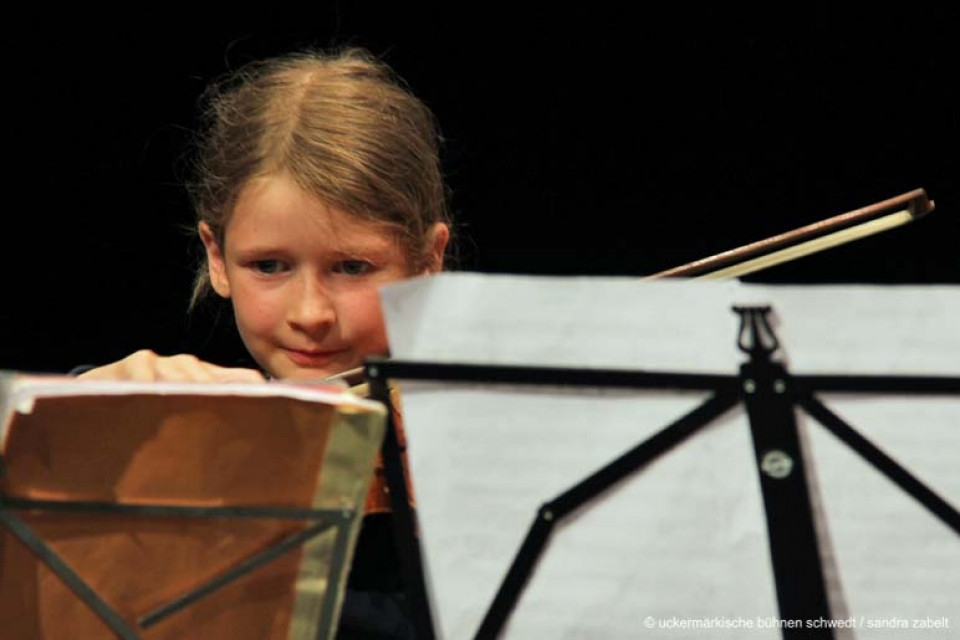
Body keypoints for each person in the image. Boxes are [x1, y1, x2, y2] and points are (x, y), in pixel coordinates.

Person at [79, 48, 451, 639]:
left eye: (352, 267)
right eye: (269, 265)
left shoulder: (482, 449)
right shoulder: (178, 429)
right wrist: (79, 414)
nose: (310, 314)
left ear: (428, 262)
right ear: (216, 257)